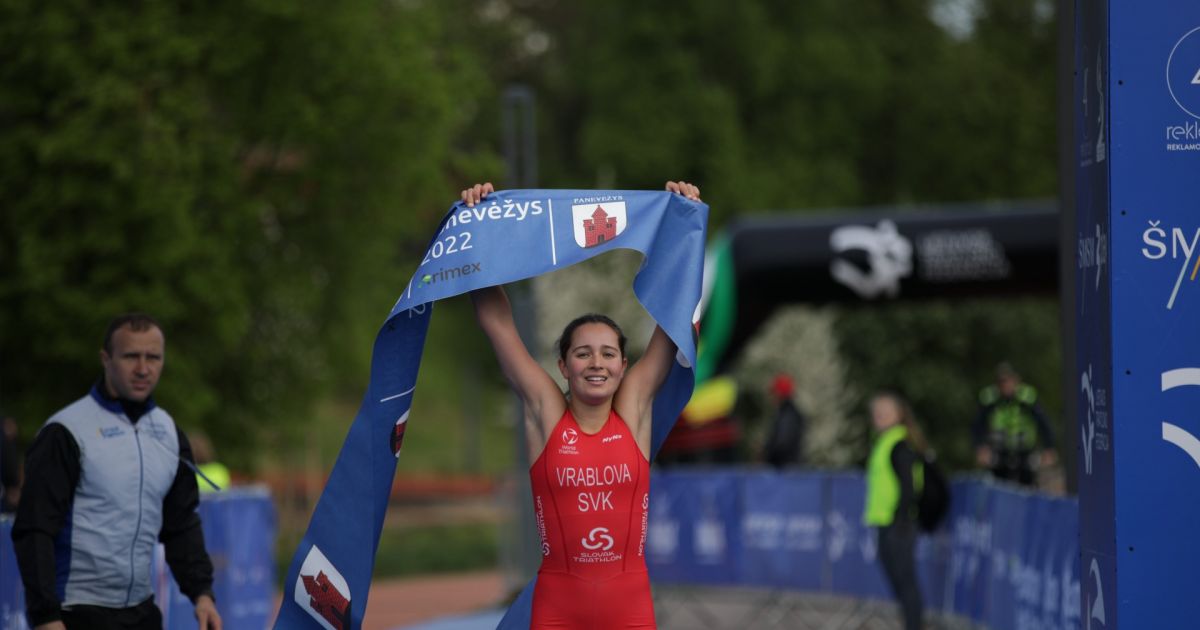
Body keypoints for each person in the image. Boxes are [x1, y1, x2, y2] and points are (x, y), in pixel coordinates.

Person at [464, 180, 701, 629]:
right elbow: (496, 321)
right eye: (583, 353)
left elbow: (677, 319)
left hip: (628, 609)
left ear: (624, 364)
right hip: (558, 610)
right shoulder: (547, 411)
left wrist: (686, 223)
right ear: (563, 365)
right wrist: (479, 229)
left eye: (608, 353)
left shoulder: (633, 408)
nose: (597, 363)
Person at [11, 313, 221, 630]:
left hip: (142, 612)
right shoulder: (65, 432)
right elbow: (35, 529)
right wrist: (45, 616)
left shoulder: (168, 432)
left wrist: (202, 594)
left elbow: (181, 524)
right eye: (130, 356)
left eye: (153, 357)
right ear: (106, 359)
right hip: (75, 614)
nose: (143, 368)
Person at [863, 391, 925, 630]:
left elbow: (909, 486)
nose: (879, 417)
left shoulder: (899, 445)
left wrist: (901, 519)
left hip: (898, 523)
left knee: (906, 582)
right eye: (876, 413)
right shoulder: (883, 442)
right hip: (884, 521)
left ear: (898, 415)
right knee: (897, 583)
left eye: (885, 412)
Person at [971, 362, 1058, 486]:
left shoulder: (1027, 398)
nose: (1005, 386)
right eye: (1002, 382)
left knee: (1027, 484)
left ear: (1016, 380)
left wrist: (1049, 447)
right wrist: (980, 447)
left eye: (1008, 381)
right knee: (997, 485)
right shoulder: (990, 399)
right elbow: (977, 425)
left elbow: (1043, 422)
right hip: (999, 452)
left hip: (1024, 451)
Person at [762, 373, 806, 468]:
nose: (771, 398)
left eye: (774, 393)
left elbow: (782, 444)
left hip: (785, 472)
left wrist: (767, 454)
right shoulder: (789, 414)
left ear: (780, 394)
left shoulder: (788, 416)